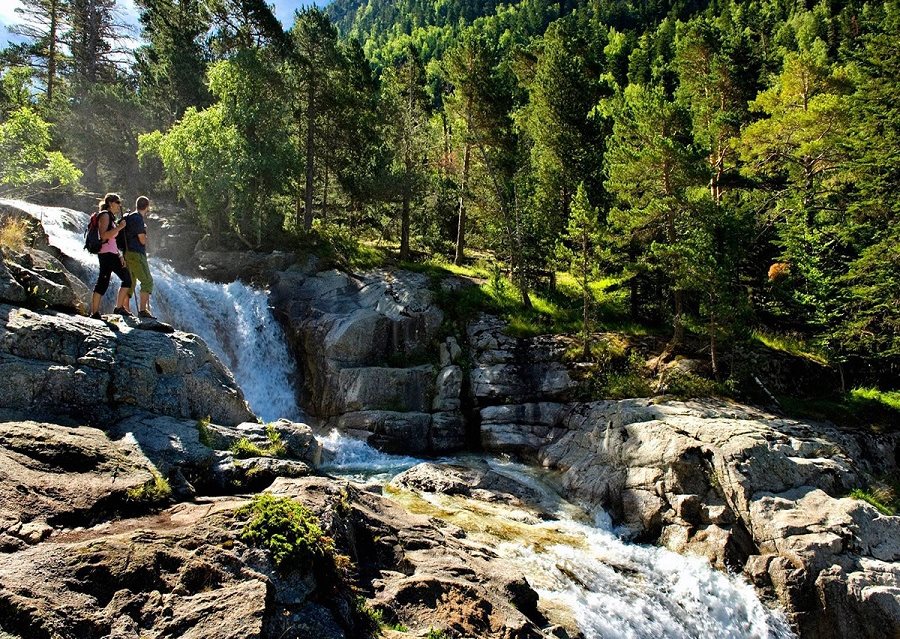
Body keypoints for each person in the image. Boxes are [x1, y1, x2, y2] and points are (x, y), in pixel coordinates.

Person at [89, 193, 133, 319]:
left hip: (110, 253)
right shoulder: (105, 215)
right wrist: (120, 227)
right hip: (107, 254)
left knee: (104, 282)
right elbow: (104, 236)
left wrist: (120, 256)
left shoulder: (109, 217)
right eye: (118, 202)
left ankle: (96, 312)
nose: (120, 205)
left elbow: (112, 241)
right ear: (111, 203)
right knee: (125, 279)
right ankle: (116, 308)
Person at [123, 195, 156, 319]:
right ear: (147, 207)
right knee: (147, 281)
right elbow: (142, 240)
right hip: (137, 254)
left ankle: (125, 309)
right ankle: (143, 311)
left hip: (127, 253)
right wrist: (145, 235)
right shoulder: (138, 219)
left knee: (130, 281)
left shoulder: (129, 217)